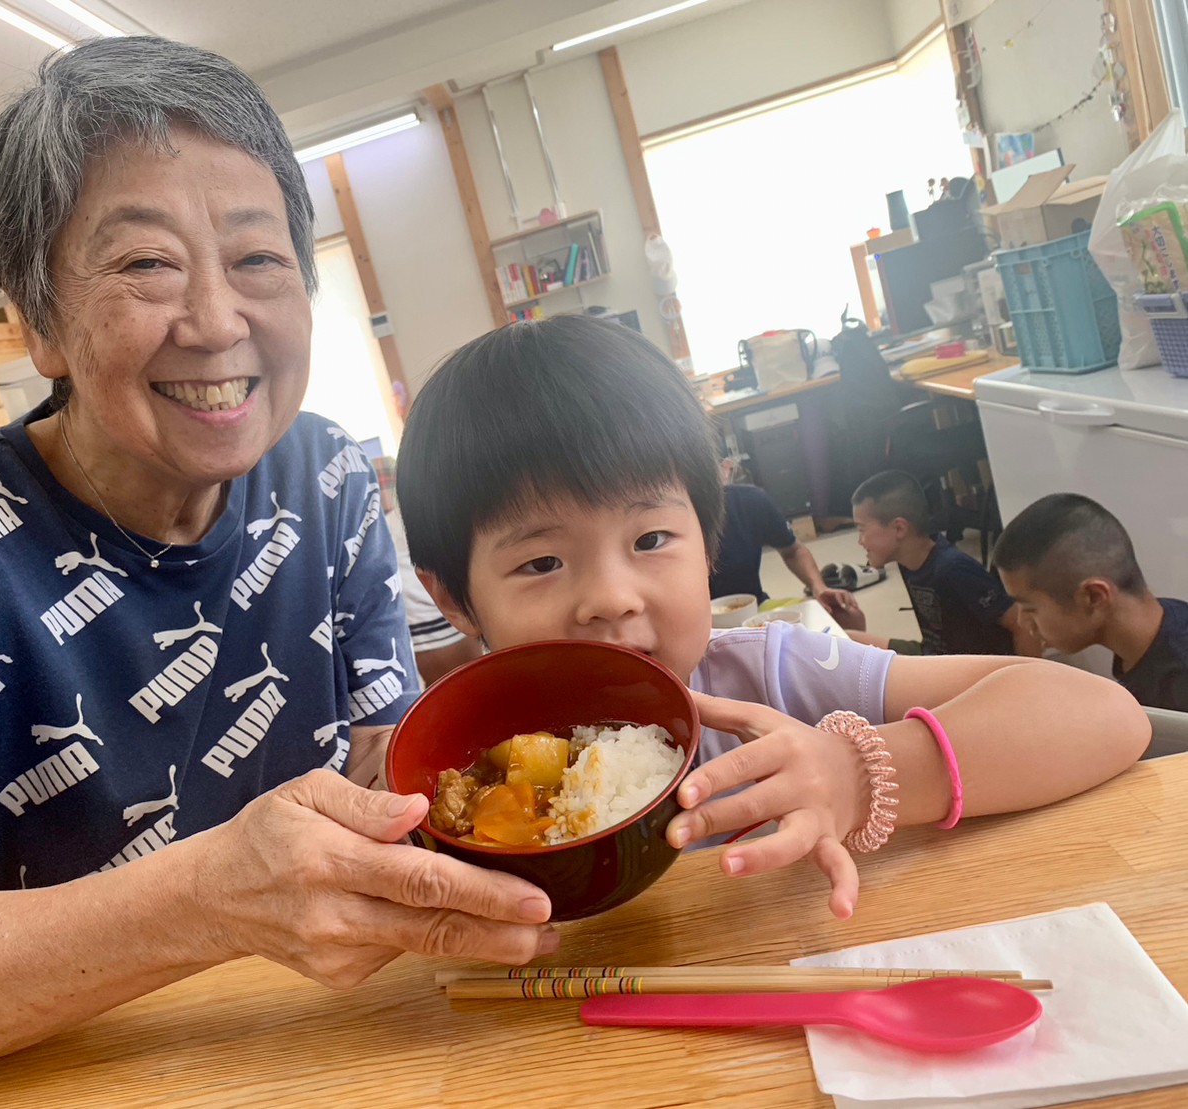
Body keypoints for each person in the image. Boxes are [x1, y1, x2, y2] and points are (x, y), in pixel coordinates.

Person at [0, 38, 555, 1095]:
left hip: (329, 1042)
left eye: (258, 259)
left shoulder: (324, 470)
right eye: (146, 264)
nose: (217, 320)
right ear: (35, 318)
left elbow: (390, 766)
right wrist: (210, 896)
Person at [395, 316, 1146, 920]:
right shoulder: (442, 771)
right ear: (455, 598)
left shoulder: (774, 675)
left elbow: (1103, 712)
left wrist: (856, 772)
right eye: (540, 562)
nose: (612, 597)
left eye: (650, 539)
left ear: (708, 541)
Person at [993, 493, 1188, 712]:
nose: (1022, 622)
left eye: (1030, 609)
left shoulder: (1178, 687)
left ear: (1094, 597)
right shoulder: (1159, 626)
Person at [847, 470, 1037, 657]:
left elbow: (1020, 624)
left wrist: (1027, 682)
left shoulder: (953, 569)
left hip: (973, 672)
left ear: (899, 528)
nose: (860, 541)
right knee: (848, 640)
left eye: (862, 530)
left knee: (864, 660)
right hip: (938, 657)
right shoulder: (908, 562)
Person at [709, 457, 863, 629]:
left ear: (725, 468)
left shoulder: (750, 501)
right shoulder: (675, 517)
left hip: (754, 609)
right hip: (694, 627)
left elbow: (793, 551)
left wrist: (818, 587)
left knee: (847, 616)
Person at [375, 455, 483, 685]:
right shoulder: (432, 515)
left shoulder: (390, 523)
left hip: (417, 628)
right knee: (477, 690)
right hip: (439, 625)